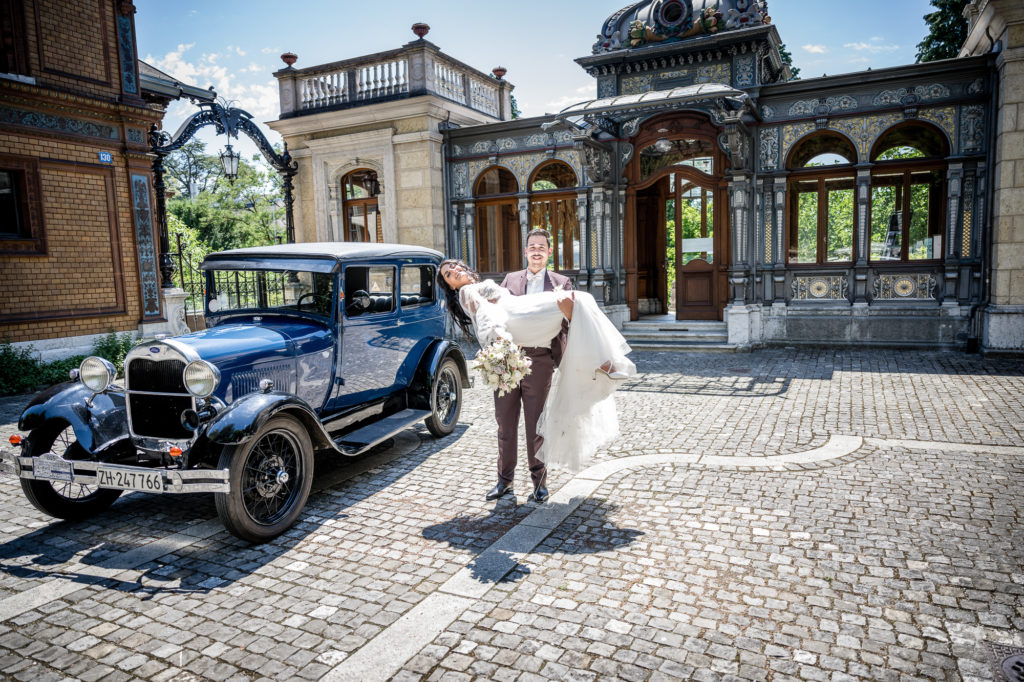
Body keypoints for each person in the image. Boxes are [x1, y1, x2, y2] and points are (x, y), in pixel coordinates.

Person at [438, 231, 636, 495]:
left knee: (537, 425)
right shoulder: (489, 286)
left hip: (539, 357)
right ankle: (504, 480)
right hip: (506, 355)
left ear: (549, 251)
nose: (454, 271)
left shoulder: (559, 281)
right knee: (505, 424)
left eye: (454, 267)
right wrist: (503, 343)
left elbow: (567, 325)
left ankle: (539, 482)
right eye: (448, 275)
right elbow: (488, 317)